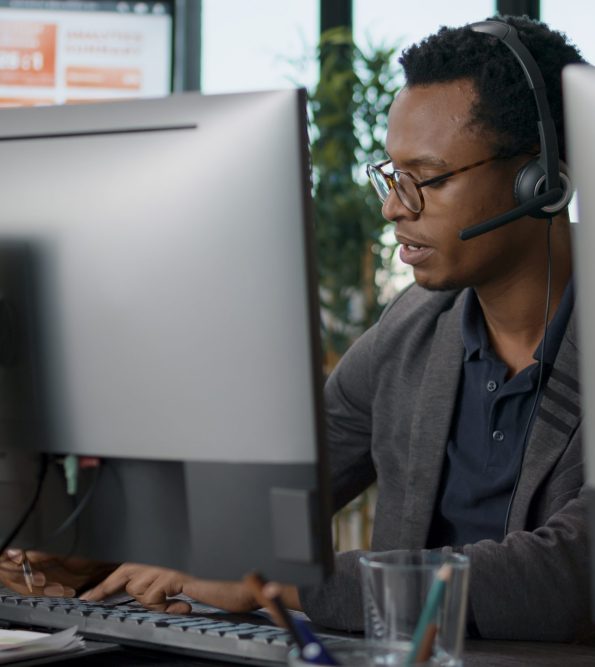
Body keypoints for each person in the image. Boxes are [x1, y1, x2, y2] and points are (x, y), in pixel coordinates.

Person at [2, 14, 592, 642]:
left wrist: (284, 582)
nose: (395, 207)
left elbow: (569, 576)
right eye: (394, 177)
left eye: (430, 179)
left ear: (543, 179)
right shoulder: (414, 332)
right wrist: (110, 556)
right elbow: (278, 498)